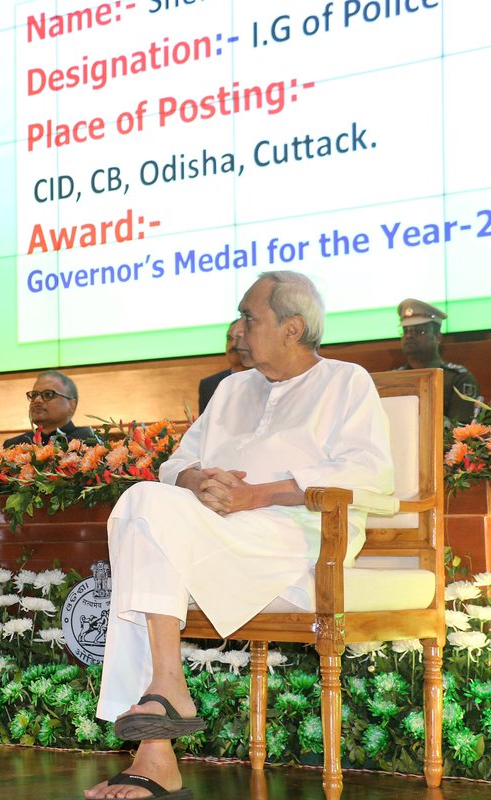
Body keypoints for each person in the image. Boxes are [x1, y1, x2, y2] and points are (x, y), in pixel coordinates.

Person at [85, 271, 393, 800]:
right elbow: (176, 462)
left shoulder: (345, 381)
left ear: (292, 328)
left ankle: (159, 735)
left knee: (148, 527)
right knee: (144, 501)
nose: (238, 328)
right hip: (220, 536)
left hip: (297, 539)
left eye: (249, 317)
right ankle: (164, 698)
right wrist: (196, 480)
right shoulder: (231, 388)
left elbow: (372, 475)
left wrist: (262, 494)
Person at [395, 298, 482, 423]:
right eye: (406, 331)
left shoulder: (457, 378)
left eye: (420, 330)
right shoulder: (395, 378)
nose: (409, 335)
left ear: (437, 337)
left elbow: (461, 429)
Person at [3, 370, 92, 447]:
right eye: (34, 395)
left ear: (71, 405)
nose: (37, 400)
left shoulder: (91, 442)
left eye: (48, 394)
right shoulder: (14, 445)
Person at [196, 319, 249, 414]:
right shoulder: (209, 385)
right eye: (229, 338)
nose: (233, 344)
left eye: (239, 338)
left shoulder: (267, 380)